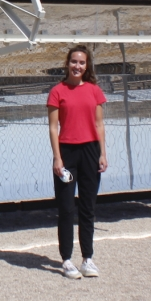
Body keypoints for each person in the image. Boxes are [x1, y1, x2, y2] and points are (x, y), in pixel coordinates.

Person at [47, 45, 108, 279]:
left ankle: (87, 259)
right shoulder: (57, 91)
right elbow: (53, 127)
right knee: (66, 208)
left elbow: (100, 125)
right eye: (74, 62)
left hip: (90, 153)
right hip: (67, 154)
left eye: (82, 63)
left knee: (88, 208)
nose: (77, 66)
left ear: (87, 66)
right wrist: (57, 158)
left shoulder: (94, 91)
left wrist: (102, 154)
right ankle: (67, 260)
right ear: (67, 63)